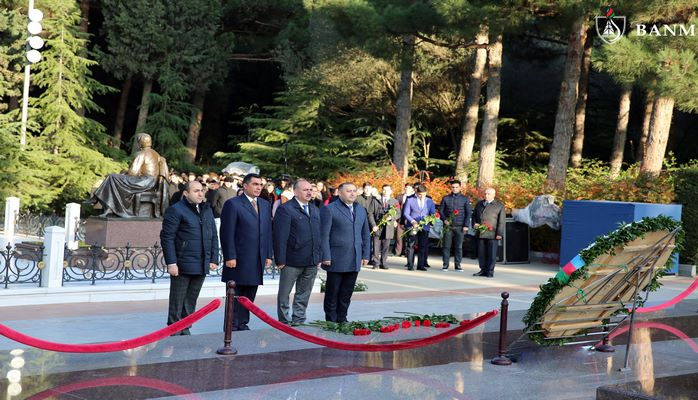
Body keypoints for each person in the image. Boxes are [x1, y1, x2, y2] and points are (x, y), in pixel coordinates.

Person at [160, 181, 219, 335]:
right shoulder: (176, 210)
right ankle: (173, 330)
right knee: (177, 300)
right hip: (182, 263)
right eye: (196, 191)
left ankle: (185, 329)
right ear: (186, 193)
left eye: (202, 191)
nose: (200, 194)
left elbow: (213, 235)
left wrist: (213, 258)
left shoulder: (207, 209)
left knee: (191, 300)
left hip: (201, 263)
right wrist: (171, 263)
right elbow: (167, 238)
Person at [220, 173, 273, 331]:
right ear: (245, 186)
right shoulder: (233, 204)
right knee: (235, 293)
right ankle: (231, 325)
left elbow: (267, 231)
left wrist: (268, 254)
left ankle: (243, 323)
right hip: (238, 258)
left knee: (250, 293)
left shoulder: (264, 204)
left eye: (260, 184)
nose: (258, 187)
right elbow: (227, 232)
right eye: (255, 184)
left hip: (257, 258)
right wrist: (229, 256)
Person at [320, 182, 370, 323]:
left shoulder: (360, 209)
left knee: (346, 293)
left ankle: (342, 318)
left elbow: (365, 233)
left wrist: (366, 254)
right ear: (340, 193)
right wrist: (326, 255)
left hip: (354, 258)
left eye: (354, 191)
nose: (352, 193)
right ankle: (331, 320)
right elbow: (324, 235)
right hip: (336, 258)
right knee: (333, 292)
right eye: (349, 191)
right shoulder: (329, 209)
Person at [273, 179, 321, 325]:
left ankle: (299, 319)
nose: (309, 192)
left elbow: (319, 234)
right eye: (305, 189)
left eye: (310, 189)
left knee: (304, 293)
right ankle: (284, 321)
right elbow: (280, 236)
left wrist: (319, 256)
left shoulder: (314, 209)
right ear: (295, 191)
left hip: (311, 260)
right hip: (291, 260)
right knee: (284, 293)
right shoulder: (286, 209)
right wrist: (280, 259)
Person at [91, 133, 169, 218]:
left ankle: (101, 202)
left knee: (112, 177)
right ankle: (106, 206)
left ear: (140, 143)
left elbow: (133, 172)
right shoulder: (156, 154)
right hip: (151, 183)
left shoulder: (141, 153)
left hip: (143, 182)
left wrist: (123, 172)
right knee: (113, 179)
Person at [439, 180, 473, 272]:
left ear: (460, 187)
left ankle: (458, 265)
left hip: (460, 226)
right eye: (453, 187)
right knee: (446, 246)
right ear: (451, 188)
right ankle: (445, 265)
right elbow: (441, 211)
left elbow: (468, 213)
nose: (454, 189)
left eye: (456, 187)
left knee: (459, 246)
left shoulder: (465, 199)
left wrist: (466, 225)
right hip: (448, 226)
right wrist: (444, 219)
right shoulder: (445, 198)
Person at [472, 187, 506, 278]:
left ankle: (490, 271)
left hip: (492, 234)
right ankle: (483, 270)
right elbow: (474, 215)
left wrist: (499, 234)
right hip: (481, 233)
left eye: (488, 194)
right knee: (481, 253)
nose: (486, 195)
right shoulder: (479, 204)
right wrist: (475, 223)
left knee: (491, 254)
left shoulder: (499, 206)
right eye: (485, 193)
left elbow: (501, 221)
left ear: (494, 195)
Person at [403, 184, 436, 271]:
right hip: (413, 226)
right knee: (411, 245)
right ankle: (410, 264)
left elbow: (432, 213)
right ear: (416, 193)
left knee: (423, 245)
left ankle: (421, 265)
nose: (422, 196)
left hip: (424, 226)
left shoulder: (430, 201)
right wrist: (412, 221)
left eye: (424, 194)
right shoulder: (410, 200)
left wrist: (430, 219)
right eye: (420, 194)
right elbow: (406, 213)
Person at [373, 184, 399, 270]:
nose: (385, 192)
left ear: (391, 191)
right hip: (378, 225)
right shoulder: (376, 200)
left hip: (388, 226)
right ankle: (376, 263)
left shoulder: (394, 201)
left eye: (387, 190)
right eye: (384, 190)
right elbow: (371, 213)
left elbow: (398, 213)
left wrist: (392, 217)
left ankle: (384, 263)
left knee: (386, 245)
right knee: (376, 245)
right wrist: (373, 225)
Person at [395, 183, 415, 256]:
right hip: (400, 220)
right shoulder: (399, 197)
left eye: (409, 188)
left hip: (410, 220)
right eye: (406, 187)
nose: (407, 189)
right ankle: (398, 252)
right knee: (399, 237)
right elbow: (395, 208)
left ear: (412, 189)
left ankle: (407, 252)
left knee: (408, 237)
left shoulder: (414, 198)